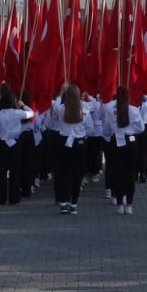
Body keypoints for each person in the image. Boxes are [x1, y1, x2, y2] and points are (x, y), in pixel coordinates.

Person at [52, 85, 94, 215]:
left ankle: (63, 203)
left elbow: (54, 105)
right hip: (79, 144)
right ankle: (74, 204)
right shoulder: (85, 111)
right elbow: (91, 130)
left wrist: (60, 93)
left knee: (63, 174)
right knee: (77, 175)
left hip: (63, 143)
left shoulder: (61, 109)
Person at [106, 85, 145, 215]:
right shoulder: (134, 110)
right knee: (130, 174)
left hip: (116, 142)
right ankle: (129, 204)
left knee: (117, 173)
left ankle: (119, 204)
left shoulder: (110, 110)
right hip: (131, 142)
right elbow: (141, 128)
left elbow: (106, 129)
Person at [0, 89, 34, 205]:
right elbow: (31, 113)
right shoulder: (17, 113)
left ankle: (0, 198)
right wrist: (23, 105)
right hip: (15, 143)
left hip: (1, 143)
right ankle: (14, 198)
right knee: (15, 171)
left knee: (1, 172)